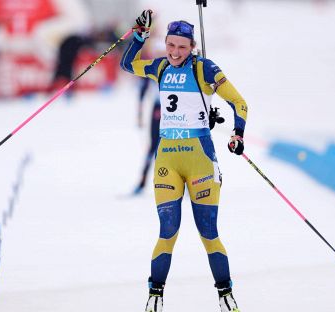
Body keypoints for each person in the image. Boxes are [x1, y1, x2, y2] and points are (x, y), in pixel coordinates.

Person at [120, 10, 248, 312]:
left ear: (192, 47)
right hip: (167, 160)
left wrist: (237, 134)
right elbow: (127, 63)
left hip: (200, 161)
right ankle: (155, 295)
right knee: (168, 231)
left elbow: (239, 102)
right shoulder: (161, 66)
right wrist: (139, 36)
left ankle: (225, 294)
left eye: (182, 46)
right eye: (171, 45)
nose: (175, 52)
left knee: (208, 233)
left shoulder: (205, 69)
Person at [133, 77, 161, 195]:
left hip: (176, 110)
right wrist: (139, 115)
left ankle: (183, 184)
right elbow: (142, 90)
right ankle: (142, 182)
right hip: (158, 108)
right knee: (154, 146)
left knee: (176, 145)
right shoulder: (154, 66)